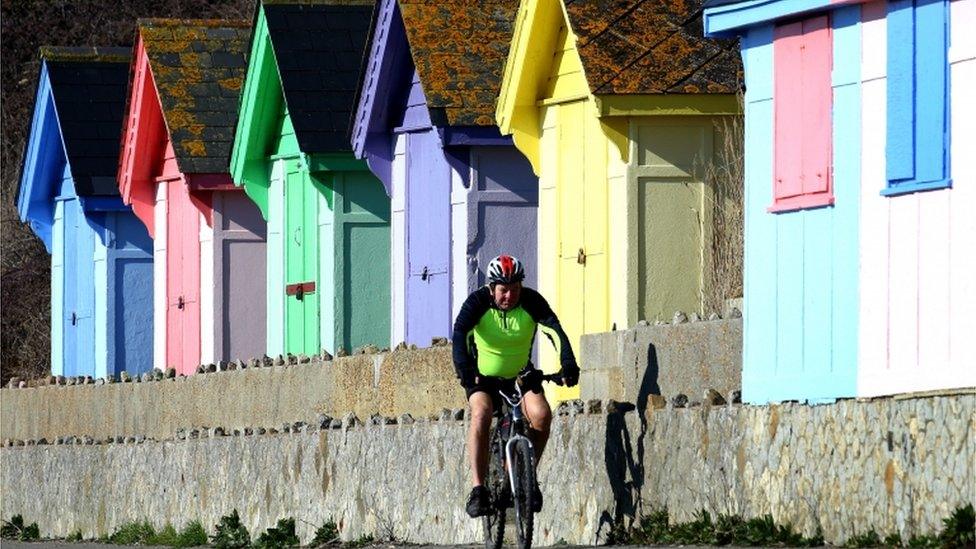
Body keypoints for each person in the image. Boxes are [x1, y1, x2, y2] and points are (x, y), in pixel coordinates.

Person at [451, 254, 580, 518]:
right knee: (481, 414)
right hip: (482, 378)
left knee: (542, 416)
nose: (509, 295)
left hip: (520, 375)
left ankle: (526, 478)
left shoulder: (531, 301)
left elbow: (555, 331)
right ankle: (478, 490)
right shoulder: (477, 302)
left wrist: (568, 363)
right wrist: (464, 370)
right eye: (503, 290)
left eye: (514, 289)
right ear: (492, 287)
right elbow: (460, 334)